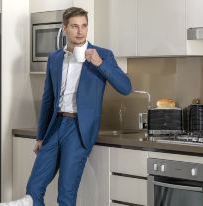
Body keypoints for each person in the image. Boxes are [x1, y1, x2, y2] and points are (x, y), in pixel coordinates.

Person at [26, 7, 132, 206]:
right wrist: (41, 136)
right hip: (54, 126)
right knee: (33, 188)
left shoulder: (102, 55)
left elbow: (126, 88)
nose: (80, 31)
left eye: (84, 26)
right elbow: (48, 99)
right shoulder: (55, 58)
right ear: (64, 28)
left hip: (78, 129)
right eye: (74, 26)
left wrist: (100, 64)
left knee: (66, 195)